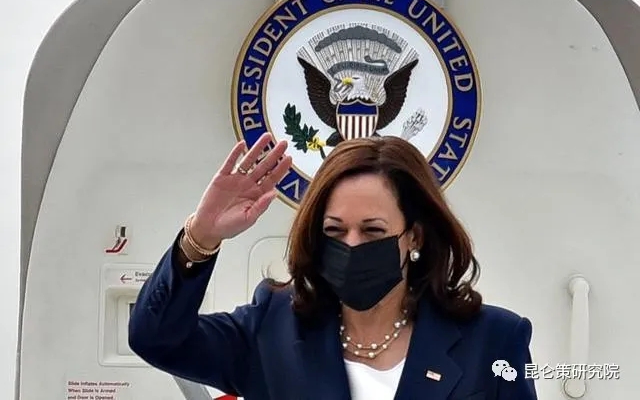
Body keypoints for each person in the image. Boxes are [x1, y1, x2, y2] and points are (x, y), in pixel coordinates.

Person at [129, 132, 538, 400]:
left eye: (373, 231)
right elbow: (156, 339)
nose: (352, 244)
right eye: (335, 230)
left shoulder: (494, 340)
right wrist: (200, 237)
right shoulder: (270, 329)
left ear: (414, 236)